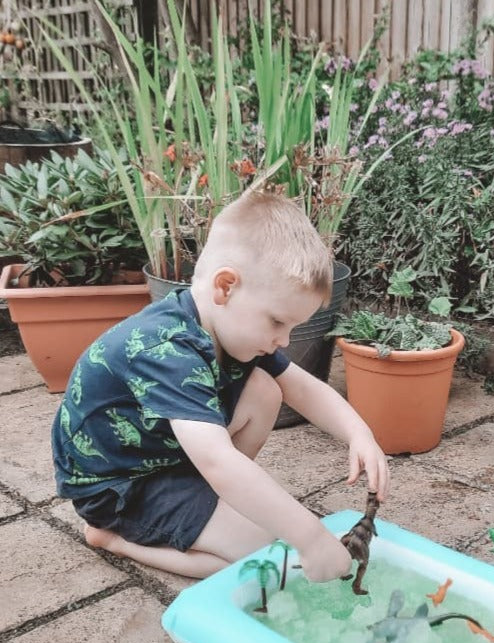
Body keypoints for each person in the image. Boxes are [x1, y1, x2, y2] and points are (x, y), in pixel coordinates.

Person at [51, 190, 390, 581]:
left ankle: (220, 499)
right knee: (268, 556)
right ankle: (115, 540)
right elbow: (215, 459)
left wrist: (358, 433)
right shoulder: (166, 349)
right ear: (225, 287)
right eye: (278, 322)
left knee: (266, 389)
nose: (284, 339)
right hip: (121, 486)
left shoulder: (229, 324)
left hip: (165, 452)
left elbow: (302, 387)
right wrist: (311, 540)